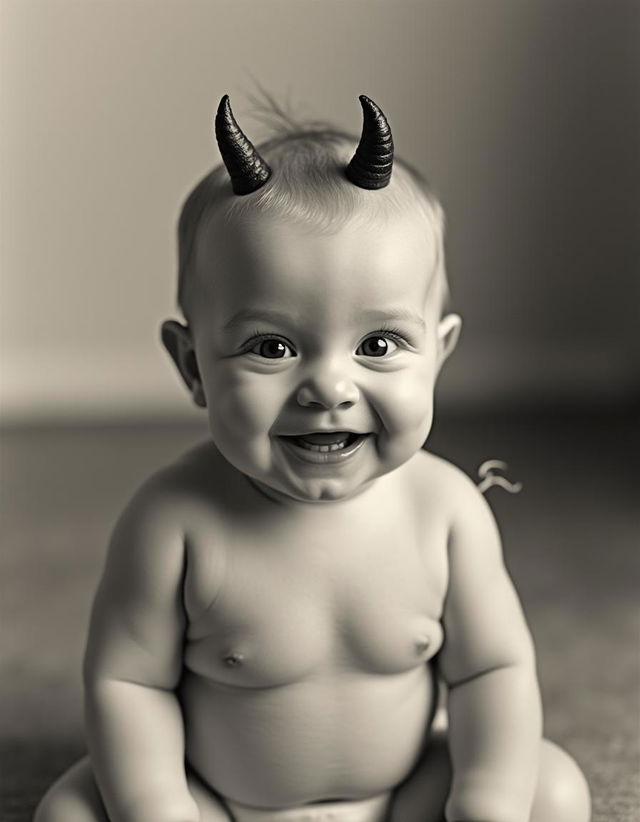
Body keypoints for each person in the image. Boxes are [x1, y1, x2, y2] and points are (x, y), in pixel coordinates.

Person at [35, 95, 591, 822]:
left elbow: (493, 669)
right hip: (218, 802)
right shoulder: (172, 522)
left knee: (551, 790)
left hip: (401, 800)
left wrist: (484, 798)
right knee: (71, 814)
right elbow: (127, 685)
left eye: (379, 345)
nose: (329, 386)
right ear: (193, 366)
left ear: (440, 357)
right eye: (273, 347)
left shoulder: (446, 511)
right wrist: (158, 806)